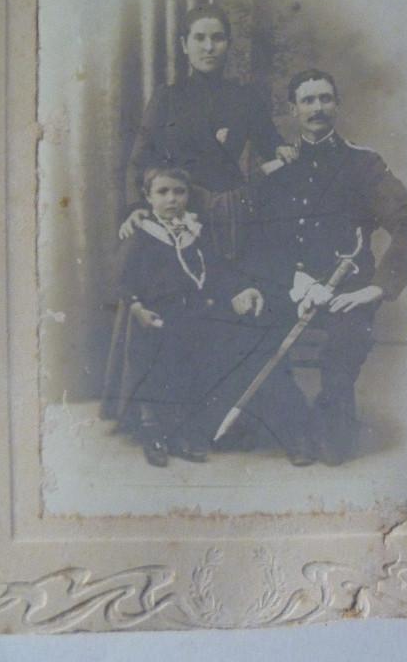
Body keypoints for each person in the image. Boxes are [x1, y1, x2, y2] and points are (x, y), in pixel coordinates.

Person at [243, 69, 407, 465]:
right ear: (293, 110)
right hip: (290, 284)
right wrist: (256, 284)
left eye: (325, 98)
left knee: (347, 341)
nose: (317, 108)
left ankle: (331, 418)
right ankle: (294, 424)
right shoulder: (278, 170)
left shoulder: (364, 164)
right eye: (307, 100)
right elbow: (257, 237)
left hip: (348, 287)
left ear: (337, 105)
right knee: (247, 330)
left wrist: (377, 288)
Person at [115, 165, 312, 467]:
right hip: (159, 313)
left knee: (222, 348)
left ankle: (187, 430)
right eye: (162, 192)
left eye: (179, 192)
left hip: (197, 311)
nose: (172, 199)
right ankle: (152, 430)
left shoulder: (195, 231)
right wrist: (136, 306)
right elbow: (123, 279)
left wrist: (241, 290)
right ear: (148, 197)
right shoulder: (141, 234)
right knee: (162, 356)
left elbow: (218, 271)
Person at [120, 3, 296, 259]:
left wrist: (281, 149)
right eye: (199, 38)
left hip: (231, 214)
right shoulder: (167, 98)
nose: (209, 47)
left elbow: (271, 144)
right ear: (184, 45)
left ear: (228, 44)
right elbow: (140, 159)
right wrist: (136, 205)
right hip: (180, 211)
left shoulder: (245, 98)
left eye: (218, 38)